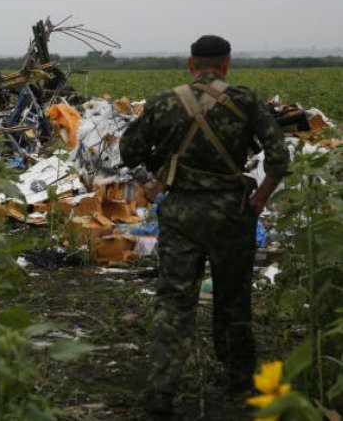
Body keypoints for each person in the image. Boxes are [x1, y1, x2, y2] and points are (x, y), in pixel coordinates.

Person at [119, 35, 289, 417]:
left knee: (174, 301)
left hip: (180, 213)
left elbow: (128, 151)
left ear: (190, 64)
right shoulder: (245, 101)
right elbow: (279, 157)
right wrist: (259, 200)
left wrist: (157, 170)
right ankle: (241, 379)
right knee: (233, 297)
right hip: (232, 214)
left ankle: (162, 392)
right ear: (226, 64)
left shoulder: (164, 102)